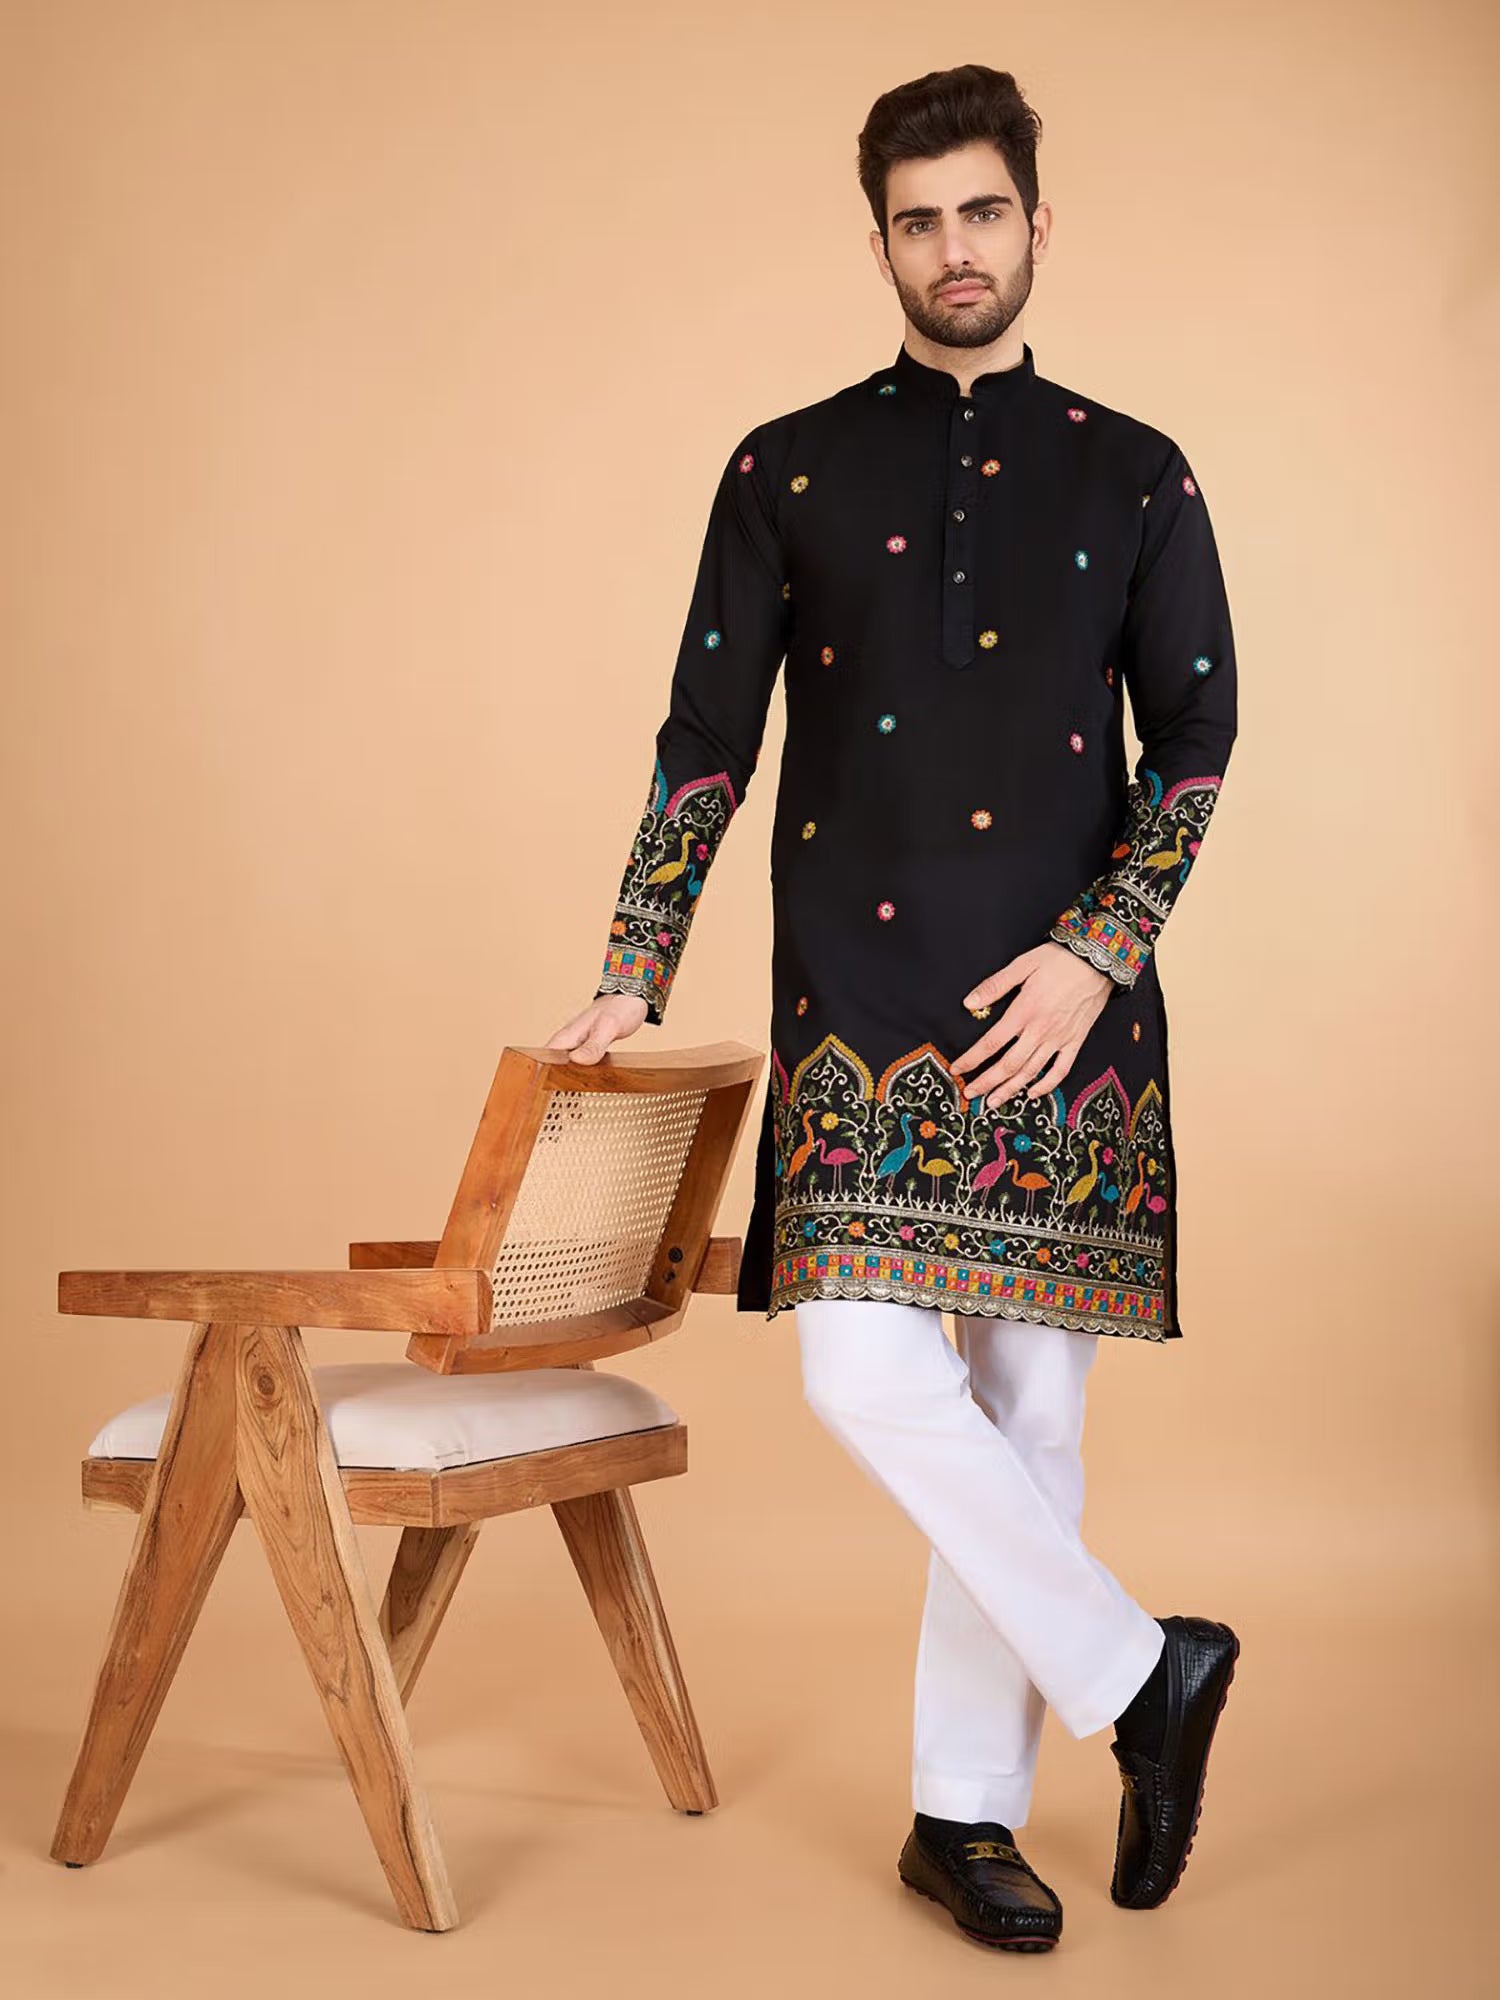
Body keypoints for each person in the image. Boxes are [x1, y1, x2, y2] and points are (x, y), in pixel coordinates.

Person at [548, 62, 1240, 1951]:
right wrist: (636, 963)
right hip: (855, 998)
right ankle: (1138, 1672)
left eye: (984, 212)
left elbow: (1194, 739)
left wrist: (1103, 950)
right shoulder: (786, 466)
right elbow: (708, 742)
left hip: (1066, 1010)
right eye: (920, 220)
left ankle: (967, 1816)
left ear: (1036, 222)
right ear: (881, 243)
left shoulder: (1138, 468)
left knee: (1029, 1421)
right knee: (868, 1368)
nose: (956, 248)